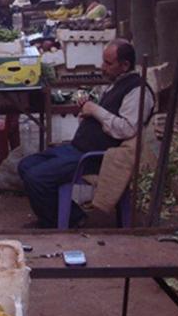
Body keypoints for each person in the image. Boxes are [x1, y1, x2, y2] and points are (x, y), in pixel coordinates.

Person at [17, 39, 155, 228]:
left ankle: (58, 222)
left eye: (108, 63)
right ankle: (72, 216)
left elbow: (126, 129)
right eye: (103, 61)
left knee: (37, 178)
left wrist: (95, 111)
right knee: (26, 165)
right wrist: (90, 112)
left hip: (94, 157)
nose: (102, 67)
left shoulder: (138, 92)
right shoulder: (115, 83)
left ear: (124, 65)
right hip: (77, 148)